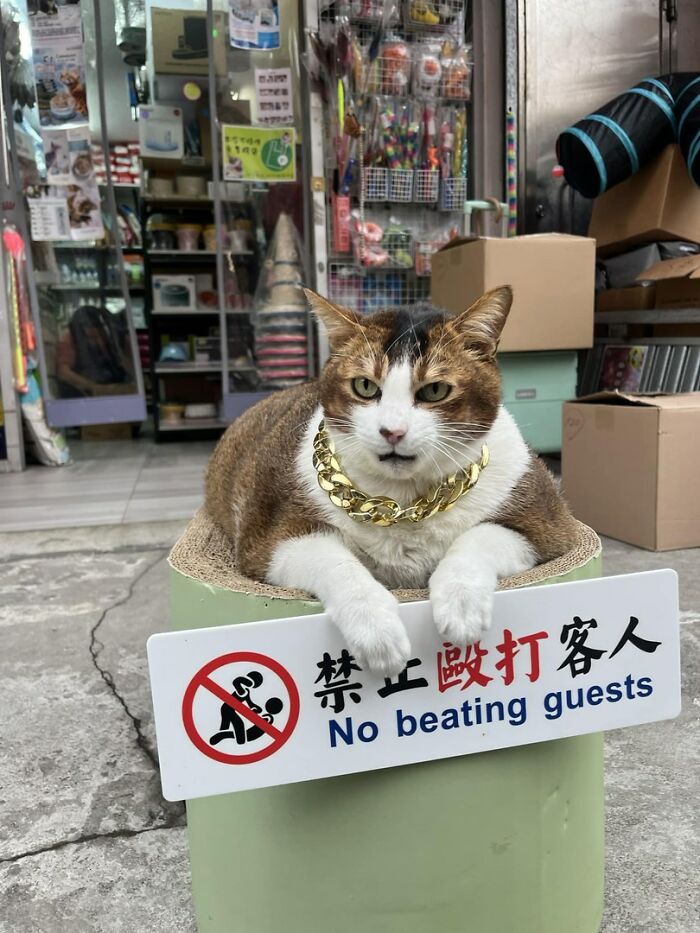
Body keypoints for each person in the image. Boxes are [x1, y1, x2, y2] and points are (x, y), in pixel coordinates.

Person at [55, 304, 133, 398]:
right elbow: (63, 372)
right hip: (86, 394)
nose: (96, 341)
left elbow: (125, 364)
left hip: (114, 385)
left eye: (97, 336)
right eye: (91, 337)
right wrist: (93, 387)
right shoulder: (69, 336)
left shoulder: (108, 335)